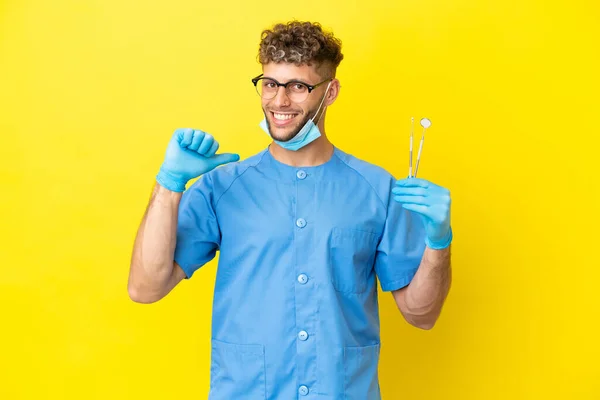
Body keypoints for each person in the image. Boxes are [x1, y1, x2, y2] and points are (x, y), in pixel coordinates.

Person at [128, 20, 453, 400]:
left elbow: (422, 315)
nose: (280, 101)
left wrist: (438, 241)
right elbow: (145, 288)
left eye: (298, 86)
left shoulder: (376, 189)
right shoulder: (222, 187)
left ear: (330, 92)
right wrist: (169, 185)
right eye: (270, 84)